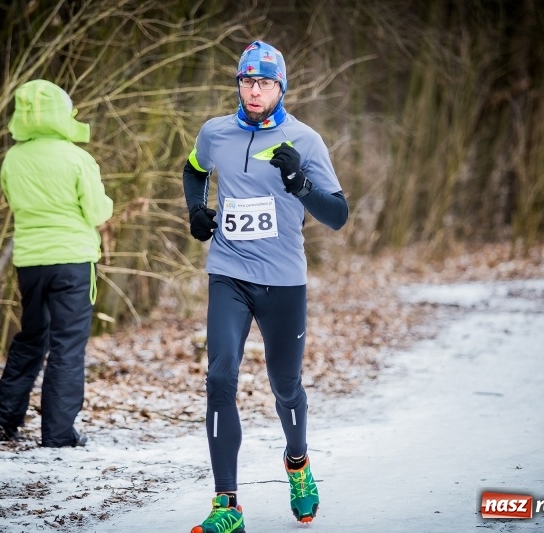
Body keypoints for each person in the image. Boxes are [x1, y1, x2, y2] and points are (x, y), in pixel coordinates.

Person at [183, 41, 349, 532]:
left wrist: (301, 185)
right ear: (238, 84)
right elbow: (194, 170)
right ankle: (226, 506)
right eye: (246, 82)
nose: (254, 91)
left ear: (281, 88)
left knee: (285, 386)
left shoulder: (306, 140)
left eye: (265, 83)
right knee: (219, 378)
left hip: (283, 283)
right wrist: (196, 209)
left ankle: (298, 466)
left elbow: (337, 215)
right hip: (229, 273)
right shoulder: (216, 132)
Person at [0, 79, 114, 448]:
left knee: (32, 336)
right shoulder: (76, 158)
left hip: (30, 261)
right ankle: (58, 433)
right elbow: (96, 211)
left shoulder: (13, 158)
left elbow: (15, 203)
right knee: (67, 346)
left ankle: (4, 418)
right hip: (73, 260)